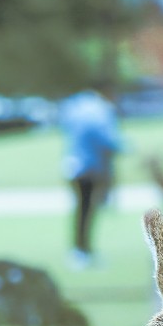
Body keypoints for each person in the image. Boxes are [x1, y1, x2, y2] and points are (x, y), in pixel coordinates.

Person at [58, 90, 122, 267]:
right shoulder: (100, 111)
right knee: (86, 210)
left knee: (83, 209)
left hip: (73, 166)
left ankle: (83, 249)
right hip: (89, 169)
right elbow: (109, 141)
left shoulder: (76, 107)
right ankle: (81, 250)